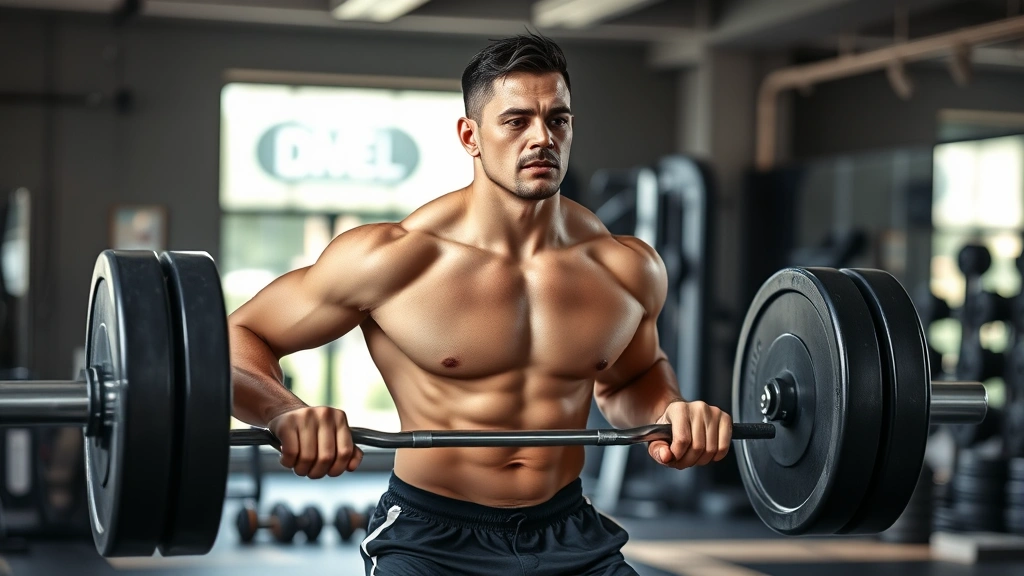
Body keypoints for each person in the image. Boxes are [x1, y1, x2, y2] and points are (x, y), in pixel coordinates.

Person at [228, 32, 732, 576]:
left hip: (569, 530)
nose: (542, 138)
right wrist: (285, 412)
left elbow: (631, 382)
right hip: (430, 538)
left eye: (557, 120)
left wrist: (671, 415)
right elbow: (235, 339)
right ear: (470, 135)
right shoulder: (395, 260)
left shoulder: (625, 268)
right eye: (516, 121)